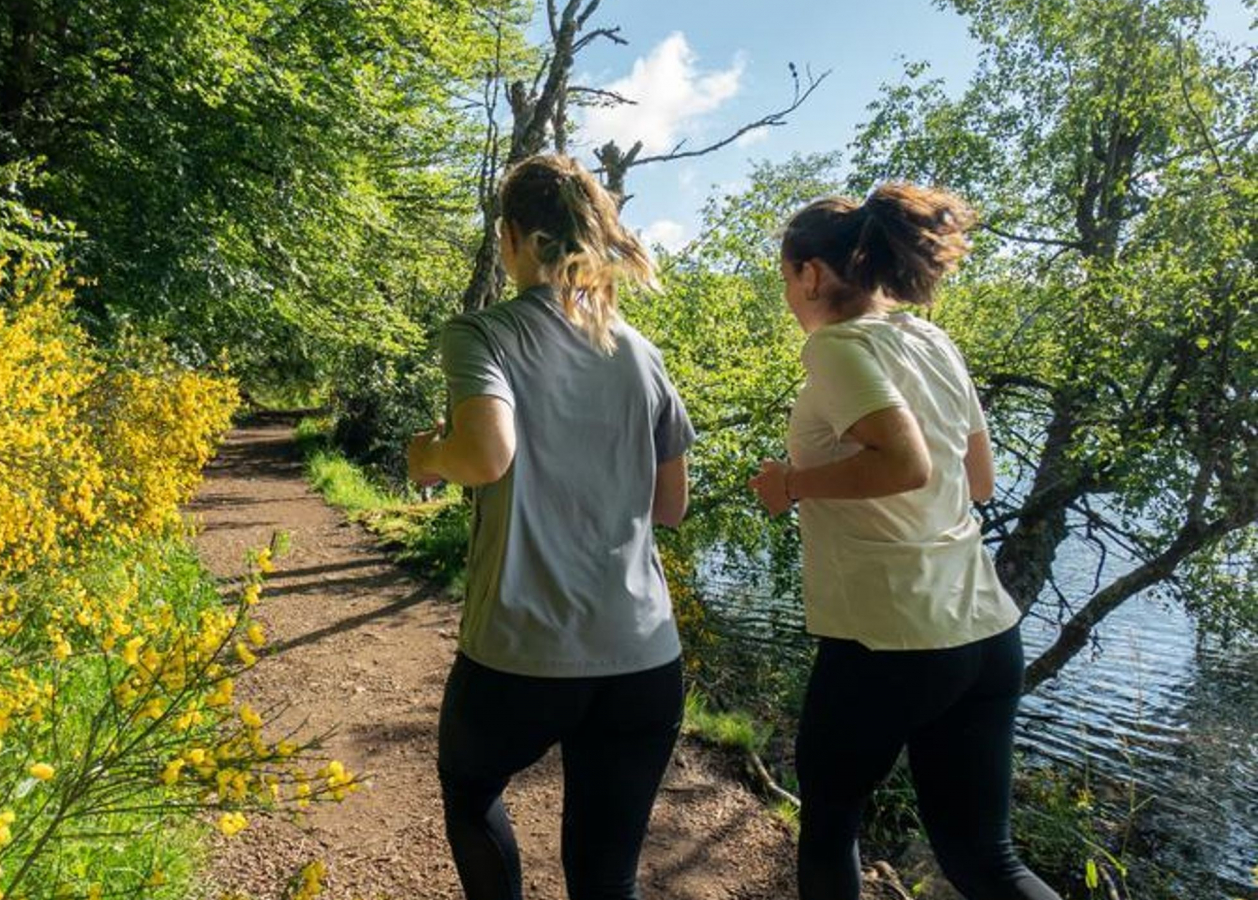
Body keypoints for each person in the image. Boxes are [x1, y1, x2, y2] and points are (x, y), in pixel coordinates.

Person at [748, 184, 1060, 900]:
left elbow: (905, 463)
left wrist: (792, 484)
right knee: (986, 860)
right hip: (985, 633)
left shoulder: (837, 346)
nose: (790, 297)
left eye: (786, 279)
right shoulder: (930, 339)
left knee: (829, 828)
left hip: (889, 640)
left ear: (811, 274)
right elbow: (978, 479)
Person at [406, 154, 694, 900]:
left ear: (514, 238)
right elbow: (670, 506)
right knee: (607, 880)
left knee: (471, 793)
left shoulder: (485, 335)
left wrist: (428, 457)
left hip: (521, 653)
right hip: (642, 656)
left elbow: (485, 452)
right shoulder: (641, 352)